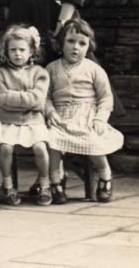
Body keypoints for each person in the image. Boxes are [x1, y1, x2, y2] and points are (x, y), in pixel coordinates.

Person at [46, 19, 123, 204]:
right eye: (71, 41)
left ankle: (105, 177)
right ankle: (56, 181)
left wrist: (100, 119)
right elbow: (45, 96)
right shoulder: (51, 68)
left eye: (82, 43)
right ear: (61, 43)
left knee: (93, 140)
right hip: (61, 115)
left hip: (86, 116)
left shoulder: (94, 69)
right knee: (52, 140)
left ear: (88, 47)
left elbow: (106, 97)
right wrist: (50, 112)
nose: (76, 47)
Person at [0, 25, 51, 206]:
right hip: (8, 122)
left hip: (34, 122)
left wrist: (13, 98)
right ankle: (7, 184)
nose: (17, 54)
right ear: (6, 51)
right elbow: (2, 99)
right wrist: (27, 99)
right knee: (5, 148)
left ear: (31, 51)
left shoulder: (40, 73)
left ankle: (45, 183)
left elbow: (38, 99)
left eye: (22, 50)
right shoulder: (1, 73)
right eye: (13, 50)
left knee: (41, 148)